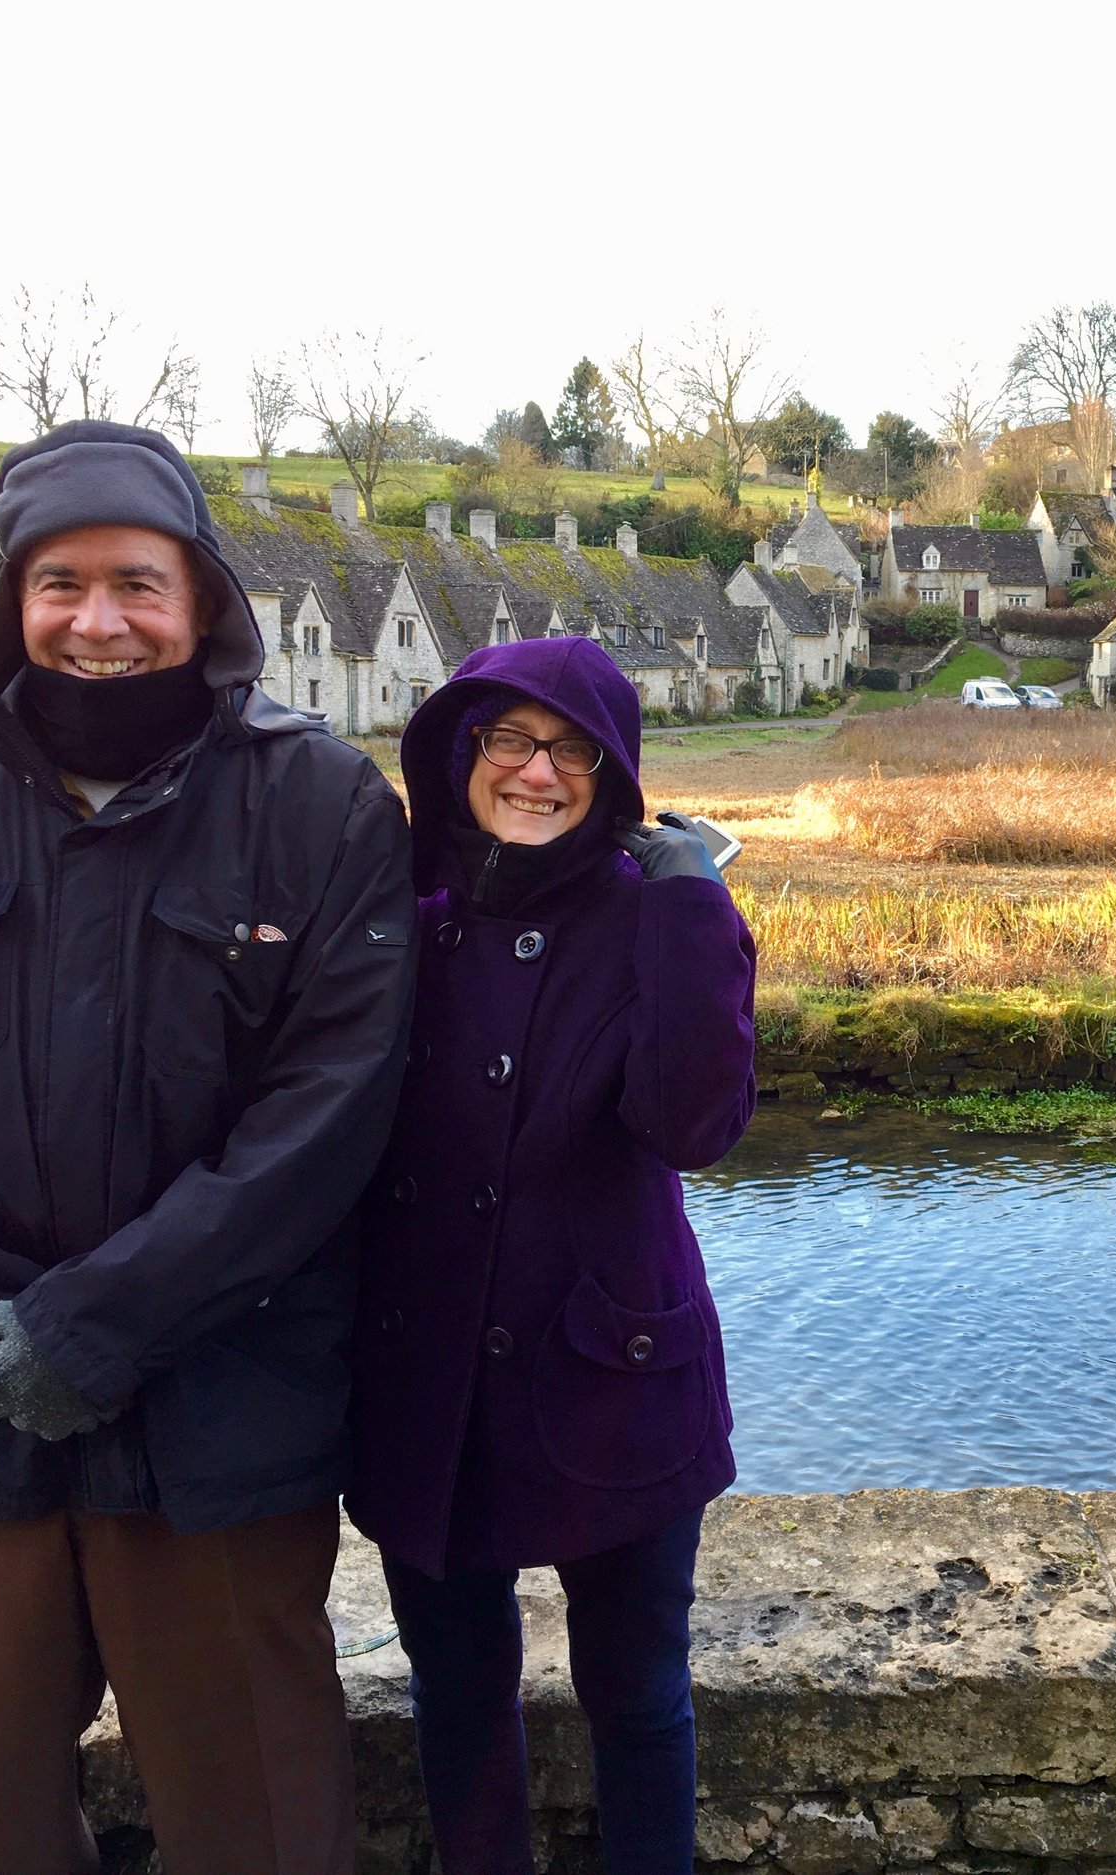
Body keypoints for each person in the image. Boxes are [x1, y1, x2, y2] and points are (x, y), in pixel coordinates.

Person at [0, 420, 417, 1875]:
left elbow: (329, 1113)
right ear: (10, 601)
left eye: (137, 579)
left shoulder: (317, 803)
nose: (99, 618)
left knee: (256, 1821)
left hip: (221, 1418)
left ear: (201, 598)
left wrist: (104, 1321)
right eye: (57, 581)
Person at [347, 635, 757, 1875]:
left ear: (614, 772)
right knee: (457, 1693)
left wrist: (695, 907)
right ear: (458, 752)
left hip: (613, 1370)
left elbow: (693, 1128)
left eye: (572, 747)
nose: (538, 771)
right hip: (429, 1381)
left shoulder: (658, 916)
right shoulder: (396, 918)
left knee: (637, 1693)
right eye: (508, 740)